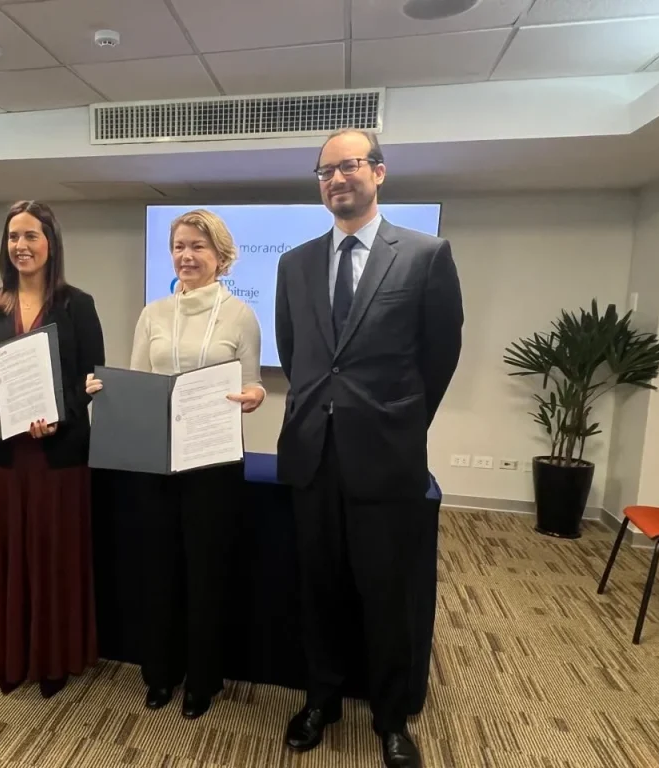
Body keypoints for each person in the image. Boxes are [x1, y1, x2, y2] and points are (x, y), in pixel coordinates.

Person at [275, 129, 463, 768]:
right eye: (325, 171)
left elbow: (440, 353)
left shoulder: (424, 255)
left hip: (386, 458)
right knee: (317, 590)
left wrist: (399, 420)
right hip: (312, 455)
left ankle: (390, 717)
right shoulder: (294, 263)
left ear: (378, 173)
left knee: (387, 595)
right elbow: (297, 352)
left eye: (349, 165)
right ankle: (321, 700)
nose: (336, 179)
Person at [86, 209, 266, 720]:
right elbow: (139, 381)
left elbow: (252, 381)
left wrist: (254, 395)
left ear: (221, 257)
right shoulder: (153, 313)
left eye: (198, 247)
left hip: (213, 464)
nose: (187, 256)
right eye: (180, 246)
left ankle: (203, 679)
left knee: (207, 574)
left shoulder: (241, 315)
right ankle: (160, 672)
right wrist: (106, 392)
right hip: (157, 465)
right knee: (158, 571)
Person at [0, 200, 105, 700]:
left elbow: (92, 381)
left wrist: (59, 418)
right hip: (3, 458)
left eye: (31, 235)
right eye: (13, 236)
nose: (21, 245)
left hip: (57, 459)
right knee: (6, 555)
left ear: (50, 243)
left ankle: (53, 656)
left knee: (52, 557)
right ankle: (10, 653)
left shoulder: (78, 305)